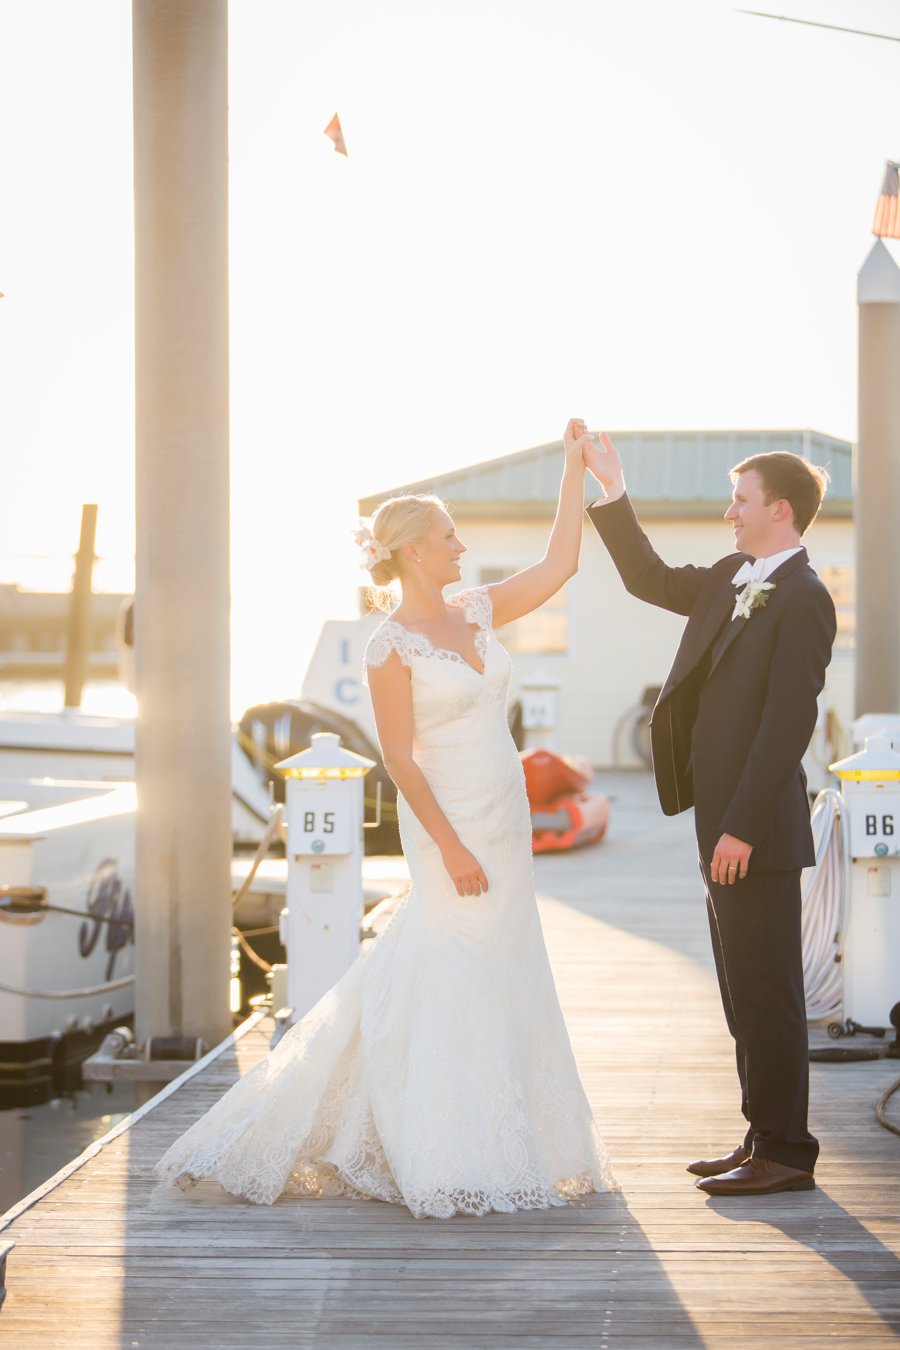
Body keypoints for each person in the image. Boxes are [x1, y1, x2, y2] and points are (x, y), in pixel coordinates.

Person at [155, 419, 613, 1218]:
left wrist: (575, 471)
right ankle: (443, 1150)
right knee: (450, 969)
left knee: (504, 965)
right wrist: (452, 847)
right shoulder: (389, 646)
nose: (460, 547)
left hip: (503, 814)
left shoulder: (475, 611)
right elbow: (400, 758)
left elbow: (561, 562)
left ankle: (515, 1136)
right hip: (449, 825)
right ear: (411, 551)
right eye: (447, 536)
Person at [581, 425, 836, 1197]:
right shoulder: (734, 576)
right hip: (718, 824)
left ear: (780, 510)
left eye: (740, 499)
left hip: (752, 831)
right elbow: (648, 578)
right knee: (740, 990)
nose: (730, 511)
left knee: (769, 992)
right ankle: (761, 1135)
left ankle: (788, 1150)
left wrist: (741, 828)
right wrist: (613, 489)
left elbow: (787, 724)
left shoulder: (806, 597)